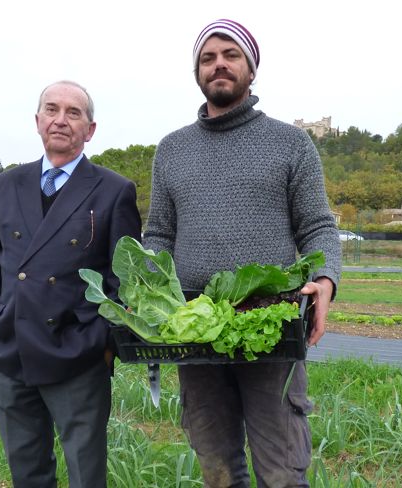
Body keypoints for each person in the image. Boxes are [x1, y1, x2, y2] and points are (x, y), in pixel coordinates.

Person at [142, 19, 342, 487]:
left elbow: (317, 227)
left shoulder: (291, 144)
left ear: (251, 69)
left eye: (231, 55)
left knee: (281, 469)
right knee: (217, 468)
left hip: (270, 331)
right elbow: (159, 236)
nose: (219, 65)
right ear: (197, 72)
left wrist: (326, 280)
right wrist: (147, 285)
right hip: (196, 330)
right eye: (208, 58)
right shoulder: (171, 150)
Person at [0, 80, 141, 487]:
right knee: (27, 472)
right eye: (52, 109)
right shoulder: (6, 184)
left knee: (86, 474)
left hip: (76, 355)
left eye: (73, 113)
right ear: (37, 121)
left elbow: (126, 283)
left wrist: (99, 342)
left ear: (90, 129)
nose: (60, 120)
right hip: (9, 351)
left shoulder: (115, 190)